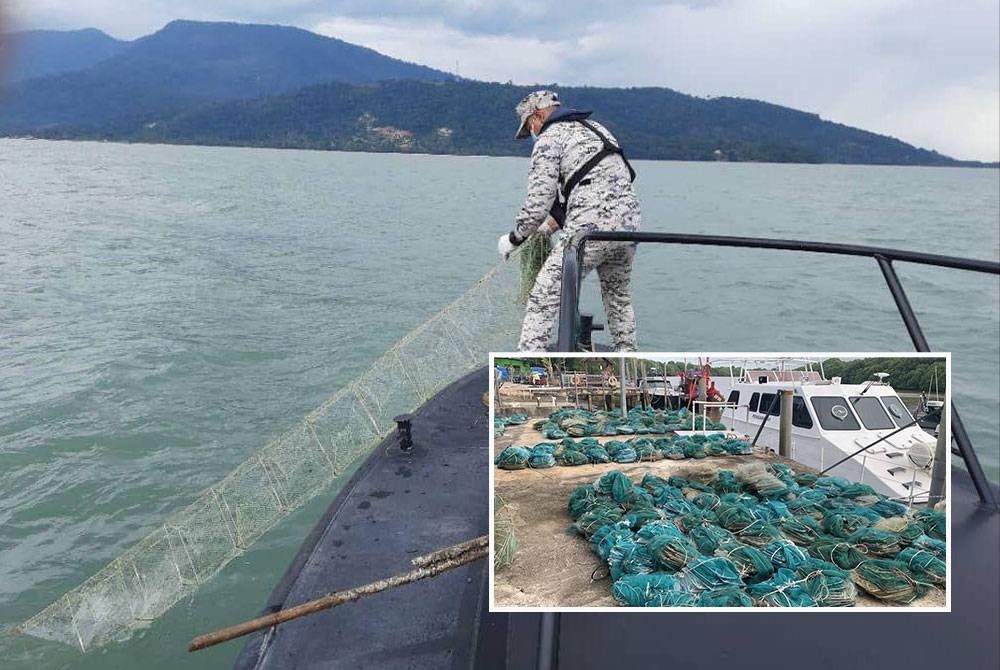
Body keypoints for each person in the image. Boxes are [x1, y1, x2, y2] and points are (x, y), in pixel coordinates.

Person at [497, 90, 641, 352]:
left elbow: (538, 203)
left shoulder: (550, 138)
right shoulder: (597, 129)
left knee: (543, 295)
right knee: (618, 297)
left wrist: (514, 238)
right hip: (630, 227)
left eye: (530, 126)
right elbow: (592, 182)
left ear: (537, 115)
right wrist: (549, 226)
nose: (532, 132)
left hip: (589, 229)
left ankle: (530, 366)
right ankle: (628, 360)